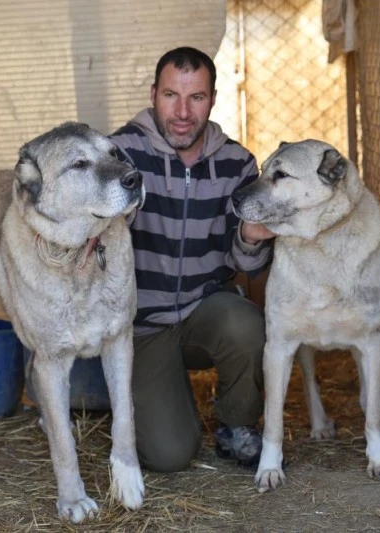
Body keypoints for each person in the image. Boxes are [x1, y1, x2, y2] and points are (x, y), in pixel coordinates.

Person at [109, 46, 276, 472]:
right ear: (153, 95)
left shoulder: (237, 163)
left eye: (196, 98)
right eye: (171, 96)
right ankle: (153, 396)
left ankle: (236, 425)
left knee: (247, 324)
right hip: (142, 324)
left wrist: (251, 237)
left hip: (205, 309)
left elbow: (247, 264)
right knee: (170, 455)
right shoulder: (117, 155)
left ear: (213, 100)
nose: (183, 112)